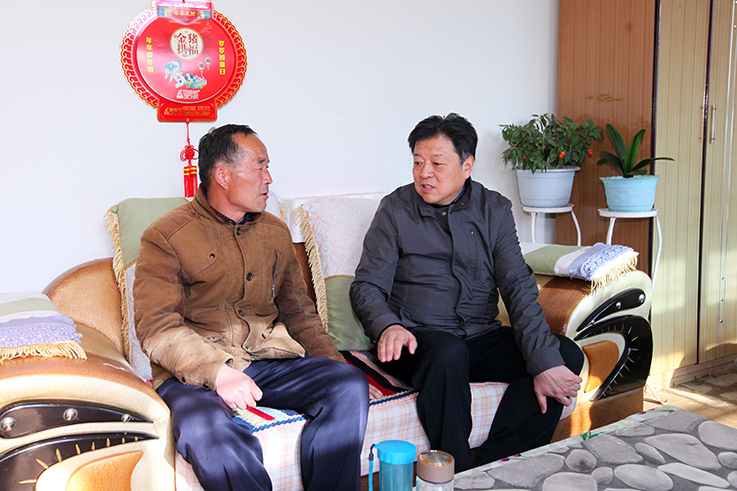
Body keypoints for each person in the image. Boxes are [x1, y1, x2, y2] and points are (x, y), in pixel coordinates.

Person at [133, 124, 370, 491]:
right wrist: (218, 372)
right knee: (204, 428)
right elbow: (157, 327)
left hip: (267, 361)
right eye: (260, 167)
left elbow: (299, 313)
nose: (269, 178)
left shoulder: (275, 232)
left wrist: (334, 364)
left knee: (348, 383)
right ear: (223, 175)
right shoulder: (166, 236)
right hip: (194, 374)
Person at [349, 113, 584, 472]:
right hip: (416, 342)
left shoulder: (494, 210)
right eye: (418, 162)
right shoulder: (395, 209)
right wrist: (388, 327)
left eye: (437, 163)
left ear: (467, 165)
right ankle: (456, 473)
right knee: (448, 352)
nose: (424, 173)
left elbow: (518, 288)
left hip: (478, 337)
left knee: (562, 355)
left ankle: (496, 467)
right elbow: (367, 285)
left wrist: (544, 362)